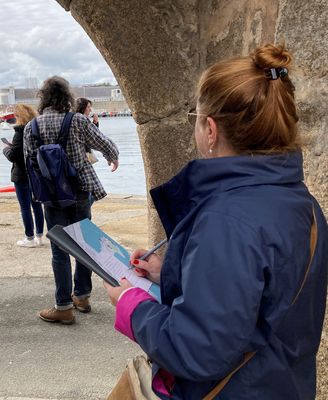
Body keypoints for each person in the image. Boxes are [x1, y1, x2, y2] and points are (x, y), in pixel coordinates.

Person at [104, 43, 328, 399]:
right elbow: (264, 296)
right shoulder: (301, 202)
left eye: (195, 119)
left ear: (210, 129)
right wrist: (173, 272)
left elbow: (196, 349)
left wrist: (133, 307)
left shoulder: (226, 218)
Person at [24, 76, 120, 324]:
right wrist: (113, 157)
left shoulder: (31, 127)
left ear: (43, 99)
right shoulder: (77, 120)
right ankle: (82, 296)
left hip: (51, 197)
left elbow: (29, 166)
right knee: (84, 245)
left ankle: (63, 306)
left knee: (59, 250)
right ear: (67, 97)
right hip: (79, 192)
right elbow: (104, 143)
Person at [2, 104, 44, 248]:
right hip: (35, 173)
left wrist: (6, 149)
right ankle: (39, 235)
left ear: (19, 116)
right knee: (37, 204)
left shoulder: (19, 132)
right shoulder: (36, 129)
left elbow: (15, 156)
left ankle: (29, 237)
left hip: (21, 174)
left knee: (25, 207)